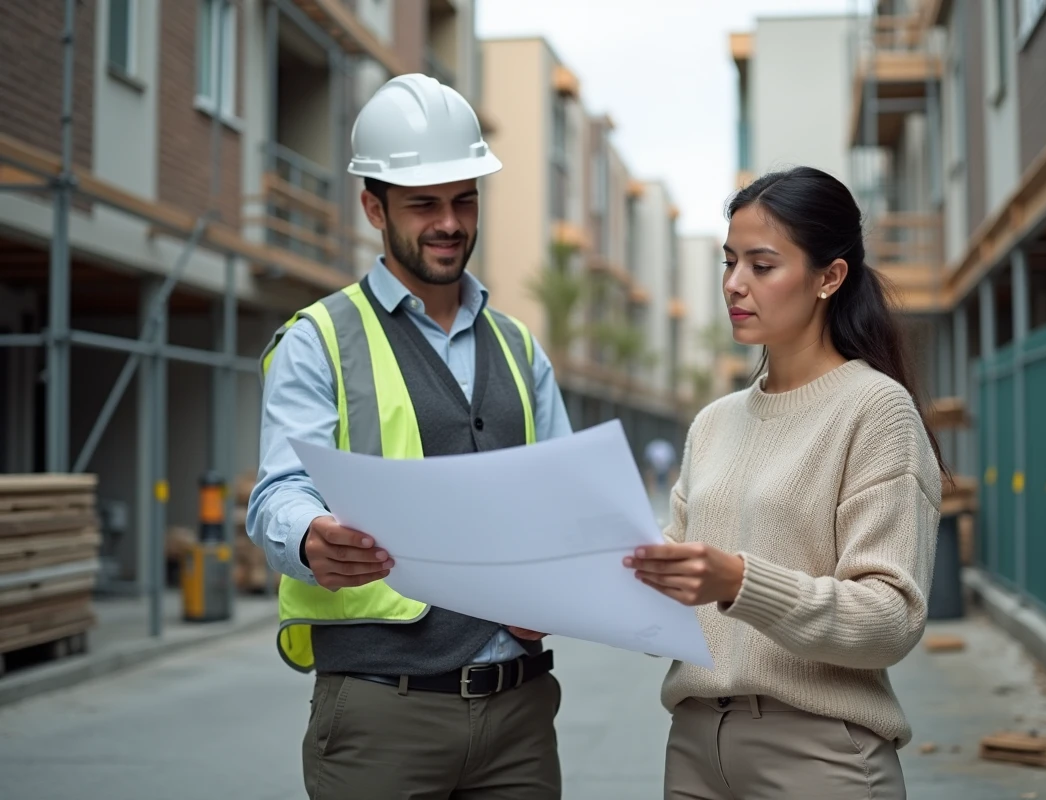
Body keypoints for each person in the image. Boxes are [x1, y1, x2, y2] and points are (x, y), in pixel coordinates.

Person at [248, 74, 572, 799]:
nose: (449, 223)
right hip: (382, 712)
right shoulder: (319, 338)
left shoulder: (520, 347)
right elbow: (280, 491)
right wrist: (309, 537)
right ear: (374, 206)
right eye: (424, 204)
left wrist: (561, 583)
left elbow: (565, 500)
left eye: (463, 200)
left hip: (519, 712)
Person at [624, 166, 947, 799]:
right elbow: (671, 590)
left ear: (829, 277)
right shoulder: (712, 423)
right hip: (692, 747)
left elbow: (890, 619)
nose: (734, 285)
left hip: (818, 754)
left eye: (762, 266)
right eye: (728, 262)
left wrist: (741, 582)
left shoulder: (875, 411)